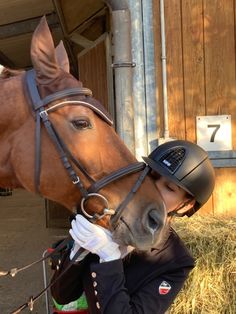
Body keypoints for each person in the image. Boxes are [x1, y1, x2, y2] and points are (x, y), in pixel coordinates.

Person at [51, 140, 215, 314]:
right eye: (151, 176)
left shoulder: (176, 262)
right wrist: (77, 254)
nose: (152, 188)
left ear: (186, 205)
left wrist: (109, 259)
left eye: (169, 187)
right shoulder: (107, 222)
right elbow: (62, 296)